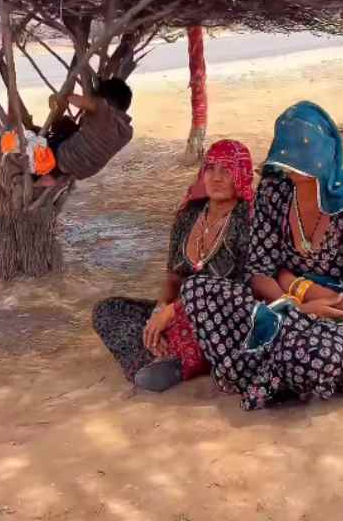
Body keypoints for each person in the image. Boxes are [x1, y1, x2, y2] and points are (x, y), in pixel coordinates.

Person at [208, 102, 343, 410]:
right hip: (292, 306)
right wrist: (301, 305)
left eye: (304, 149)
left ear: (327, 151)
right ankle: (273, 367)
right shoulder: (275, 190)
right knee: (201, 291)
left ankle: (270, 370)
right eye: (288, 149)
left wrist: (293, 284)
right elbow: (258, 272)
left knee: (318, 353)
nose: (294, 161)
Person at [92, 140, 255, 391]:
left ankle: (182, 360)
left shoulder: (248, 219)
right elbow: (173, 277)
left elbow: (240, 287)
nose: (217, 178)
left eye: (226, 170)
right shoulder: (188, 215)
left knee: (198, 312)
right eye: (211, 169)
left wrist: (174, 312)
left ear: (241, 175)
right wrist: (159, 312)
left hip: (220, 319)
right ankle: (157, 353)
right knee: (107, 310)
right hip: (177, 315)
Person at [0, 78, 135, 185]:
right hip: (85, 170)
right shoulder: (127, 132)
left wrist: (64, 97)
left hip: (64, 156)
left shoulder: (103, 110)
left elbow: (77, 100)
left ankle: (45, 176)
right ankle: (54, 175)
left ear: (104, 100)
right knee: (66, 126)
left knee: (26, 143)